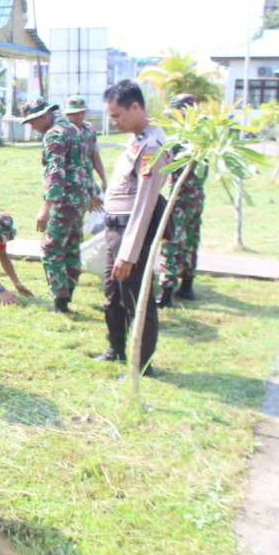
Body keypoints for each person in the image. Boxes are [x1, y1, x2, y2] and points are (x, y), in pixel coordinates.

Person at [93, 80, 172, 377]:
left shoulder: (152, 146)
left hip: (130, 232)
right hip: (116, 229)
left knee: (136, 298)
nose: (114, 121)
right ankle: (116, 348)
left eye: (116, 115)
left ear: (136, 107)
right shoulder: (137, 138)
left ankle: (141, 365)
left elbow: (144, 204)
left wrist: (129, 252)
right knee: (113, 292)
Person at [21, 97, 89, 314]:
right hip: (80, 198)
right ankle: (67, 295)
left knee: (52, 248)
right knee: (72, 247)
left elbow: (55, 171)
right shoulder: (72, 129)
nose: (32, 127)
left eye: (33, 122)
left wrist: (46, 207)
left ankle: (60, 301)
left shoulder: (54, 134)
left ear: (44, 116)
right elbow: (84, 164)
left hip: (64, 200)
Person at [157, 93, 207, 307]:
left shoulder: (181, 138)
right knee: (191, 239)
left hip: (181, 198)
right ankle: (187, 285)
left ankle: (166, 292)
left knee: (171, 242)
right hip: (197, 195)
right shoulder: (204, 135)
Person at [62, 95, 107, 210]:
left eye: (82, 112)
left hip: (88, 180)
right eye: (75, 113)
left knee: (101, 210)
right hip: (70, 184)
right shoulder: (61, 132)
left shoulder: (89, 130)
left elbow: (95, 156)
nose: (80, 116)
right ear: (68, 114)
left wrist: (103, 179)